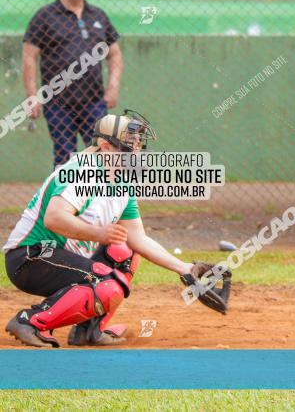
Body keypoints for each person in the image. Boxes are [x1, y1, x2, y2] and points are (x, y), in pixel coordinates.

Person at [3, 111, 224, 348]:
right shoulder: (82, 170)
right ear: (107, 148)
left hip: (60, 257)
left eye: (139, 145)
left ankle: (88, 331)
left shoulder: (121, 183)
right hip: (30, 257)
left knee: (125, 251)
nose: (137, 153)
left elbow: (138, 238)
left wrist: (186, 269)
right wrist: (98, 234)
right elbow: (54, 218)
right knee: (107, 285)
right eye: (130, 146)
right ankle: (30, 321)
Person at [22, 0, 124, 167]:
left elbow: (114, 55)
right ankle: (62, 200)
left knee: (101, 159)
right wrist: (32, 95)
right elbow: (29, 56)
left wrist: (113, 88)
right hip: (58, 103)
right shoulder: (44, 17)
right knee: (65, 161)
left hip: (94, 102)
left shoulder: (98, 16)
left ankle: (97, 201)